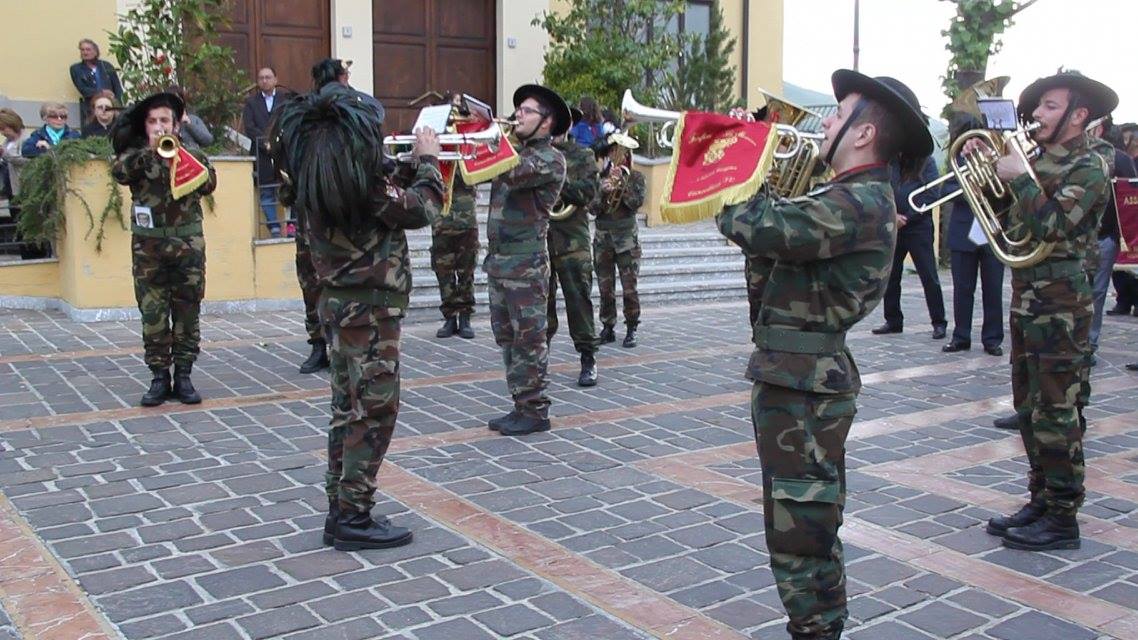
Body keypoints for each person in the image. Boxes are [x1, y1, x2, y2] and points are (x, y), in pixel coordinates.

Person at [717, 70, 932, 640]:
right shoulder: (845, 196)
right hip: (796, 377)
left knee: (800, 530)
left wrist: (726, 163)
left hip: (806, 385)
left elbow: (755, 226)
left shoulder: (857, 202)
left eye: (837, 115)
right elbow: (772, 263)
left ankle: (816, 630)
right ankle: (818, 626)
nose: (825, 123)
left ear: (863, 135)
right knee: (802, 522)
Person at [268, 76, 443, 551]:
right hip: (370, 310)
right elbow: (425, 207)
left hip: (341, 305)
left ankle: (339, 506)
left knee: (347, 410)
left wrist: (400, 165)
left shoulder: (322, 176)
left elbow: (382, 185)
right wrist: (428, 158)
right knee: (375, 412)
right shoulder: (364, 188)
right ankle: (353, 515)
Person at [980, 71, 1116, 552]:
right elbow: (1011, 220)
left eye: (1051, 107)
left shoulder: (1093, 164)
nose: (1036, 114)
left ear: (1079, 115)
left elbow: (1055, 223)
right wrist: (992, 177)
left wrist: (1018, 180)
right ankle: (1040, 497)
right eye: (1039, 106)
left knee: (1058, 410)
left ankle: (1063, 516)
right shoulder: (1036, 159)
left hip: (1063, 305)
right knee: (1029, 408)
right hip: (1027, 298)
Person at [110, 92, 217, 407]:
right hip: (149, 250)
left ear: (176, 125)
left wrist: (178, 156)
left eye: (164, 121)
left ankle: (183, 376)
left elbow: (209, 184)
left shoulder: (191, 156)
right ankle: (159, 377)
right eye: (153, 122)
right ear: (145, 126)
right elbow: (119, 173)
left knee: (187, 312)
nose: (159, 127)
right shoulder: (135, 157)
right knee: (153, 314)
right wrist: (148, 153)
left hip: (187, 248)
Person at [484, 84, 569, 437]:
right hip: (500, 262)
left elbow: (511, 171)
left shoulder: (549, 159)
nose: (517, 114)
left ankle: (535, 409)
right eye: (517, 109)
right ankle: (520, 403)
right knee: (506, 336)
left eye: (526, 111)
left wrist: (488, 136)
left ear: (546, 123)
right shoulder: (516, 152)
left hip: (526, 264)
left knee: (529, 338)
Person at [942, 116, 1006, 357]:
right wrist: (970, 187)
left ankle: (992, 339)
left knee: (993, 289)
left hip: (992, 229)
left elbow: (1007, 193)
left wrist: (988, 184)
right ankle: (961, 336)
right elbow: (946, 190)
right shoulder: (957, 161)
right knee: (962, 288)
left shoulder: (997, 159)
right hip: (963, 231)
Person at [549, 107, 601, 386]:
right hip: (541, 238)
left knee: (579, 300)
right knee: (540, 304)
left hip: (573, 240)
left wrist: (555, 179)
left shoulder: (582, 155)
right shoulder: (534, 154)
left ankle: (588, 357)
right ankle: (538, 358)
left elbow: (588, 193)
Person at [872, 155, 947, 339]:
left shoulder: (926, 161)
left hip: (919, 227)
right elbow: (880, 190)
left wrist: (908, 217)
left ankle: (939, 322)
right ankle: (893, 320)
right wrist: (892, 215)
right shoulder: (891, 161)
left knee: (929, 276)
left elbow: (932, 194)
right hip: (894, 225)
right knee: (891, 275)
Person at [431, 95, 480, 341]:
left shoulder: (469, 142)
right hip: (441, 217)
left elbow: (475, 173)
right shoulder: (437, 141)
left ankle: (465, 316)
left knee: (467, 269)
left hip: (466, 217)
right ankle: (450, 316)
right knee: (443, 270)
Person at [1088, 120, 1137, 357]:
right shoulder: (1066, 154)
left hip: (1104, 236)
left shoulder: (1121, 159)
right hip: (1070, 236)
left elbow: (1131, 198)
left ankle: (1089, 344)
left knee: (1096, 292)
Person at [593, 133, 646, 348]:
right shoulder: (600, 178)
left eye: (622, 151)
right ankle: (608, 326)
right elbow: (592, 209)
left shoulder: (636, 177)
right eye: (615, 151)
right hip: (603, 240)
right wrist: (601, 191)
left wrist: (621, 186)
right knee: (605, 288)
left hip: (626, 241)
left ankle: (632, 326)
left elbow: (636, 203)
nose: (618, 155)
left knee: (629, 288)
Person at [242, 67, 292, 238]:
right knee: (266, 191)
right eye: (261, 78)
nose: (264, 80)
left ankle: (292, 229)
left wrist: (279, 141)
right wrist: (266, 142)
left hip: (284, 152)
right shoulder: (251, 102)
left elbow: (289, 121)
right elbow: (249, 127)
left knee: (291, 188)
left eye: (268, 77)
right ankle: (274, 227)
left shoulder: (285, 100)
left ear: (275, 80)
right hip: (261, 152)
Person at [69, 39, 123, 125]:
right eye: (82, 50)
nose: (85, 52)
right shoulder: (76, 69)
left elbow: (117, 87)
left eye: (88, 49)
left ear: (95, 51)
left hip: (111, 106)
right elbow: (82, 89)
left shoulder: (106, 66)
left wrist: (118, 104)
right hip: (91, 108)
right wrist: (101, 92)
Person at [165, 85, 213, 150]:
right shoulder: (161, 121)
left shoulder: (193, 119)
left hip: (190, 157)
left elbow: (208, 140)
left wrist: (189, 124)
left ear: (182, 101)